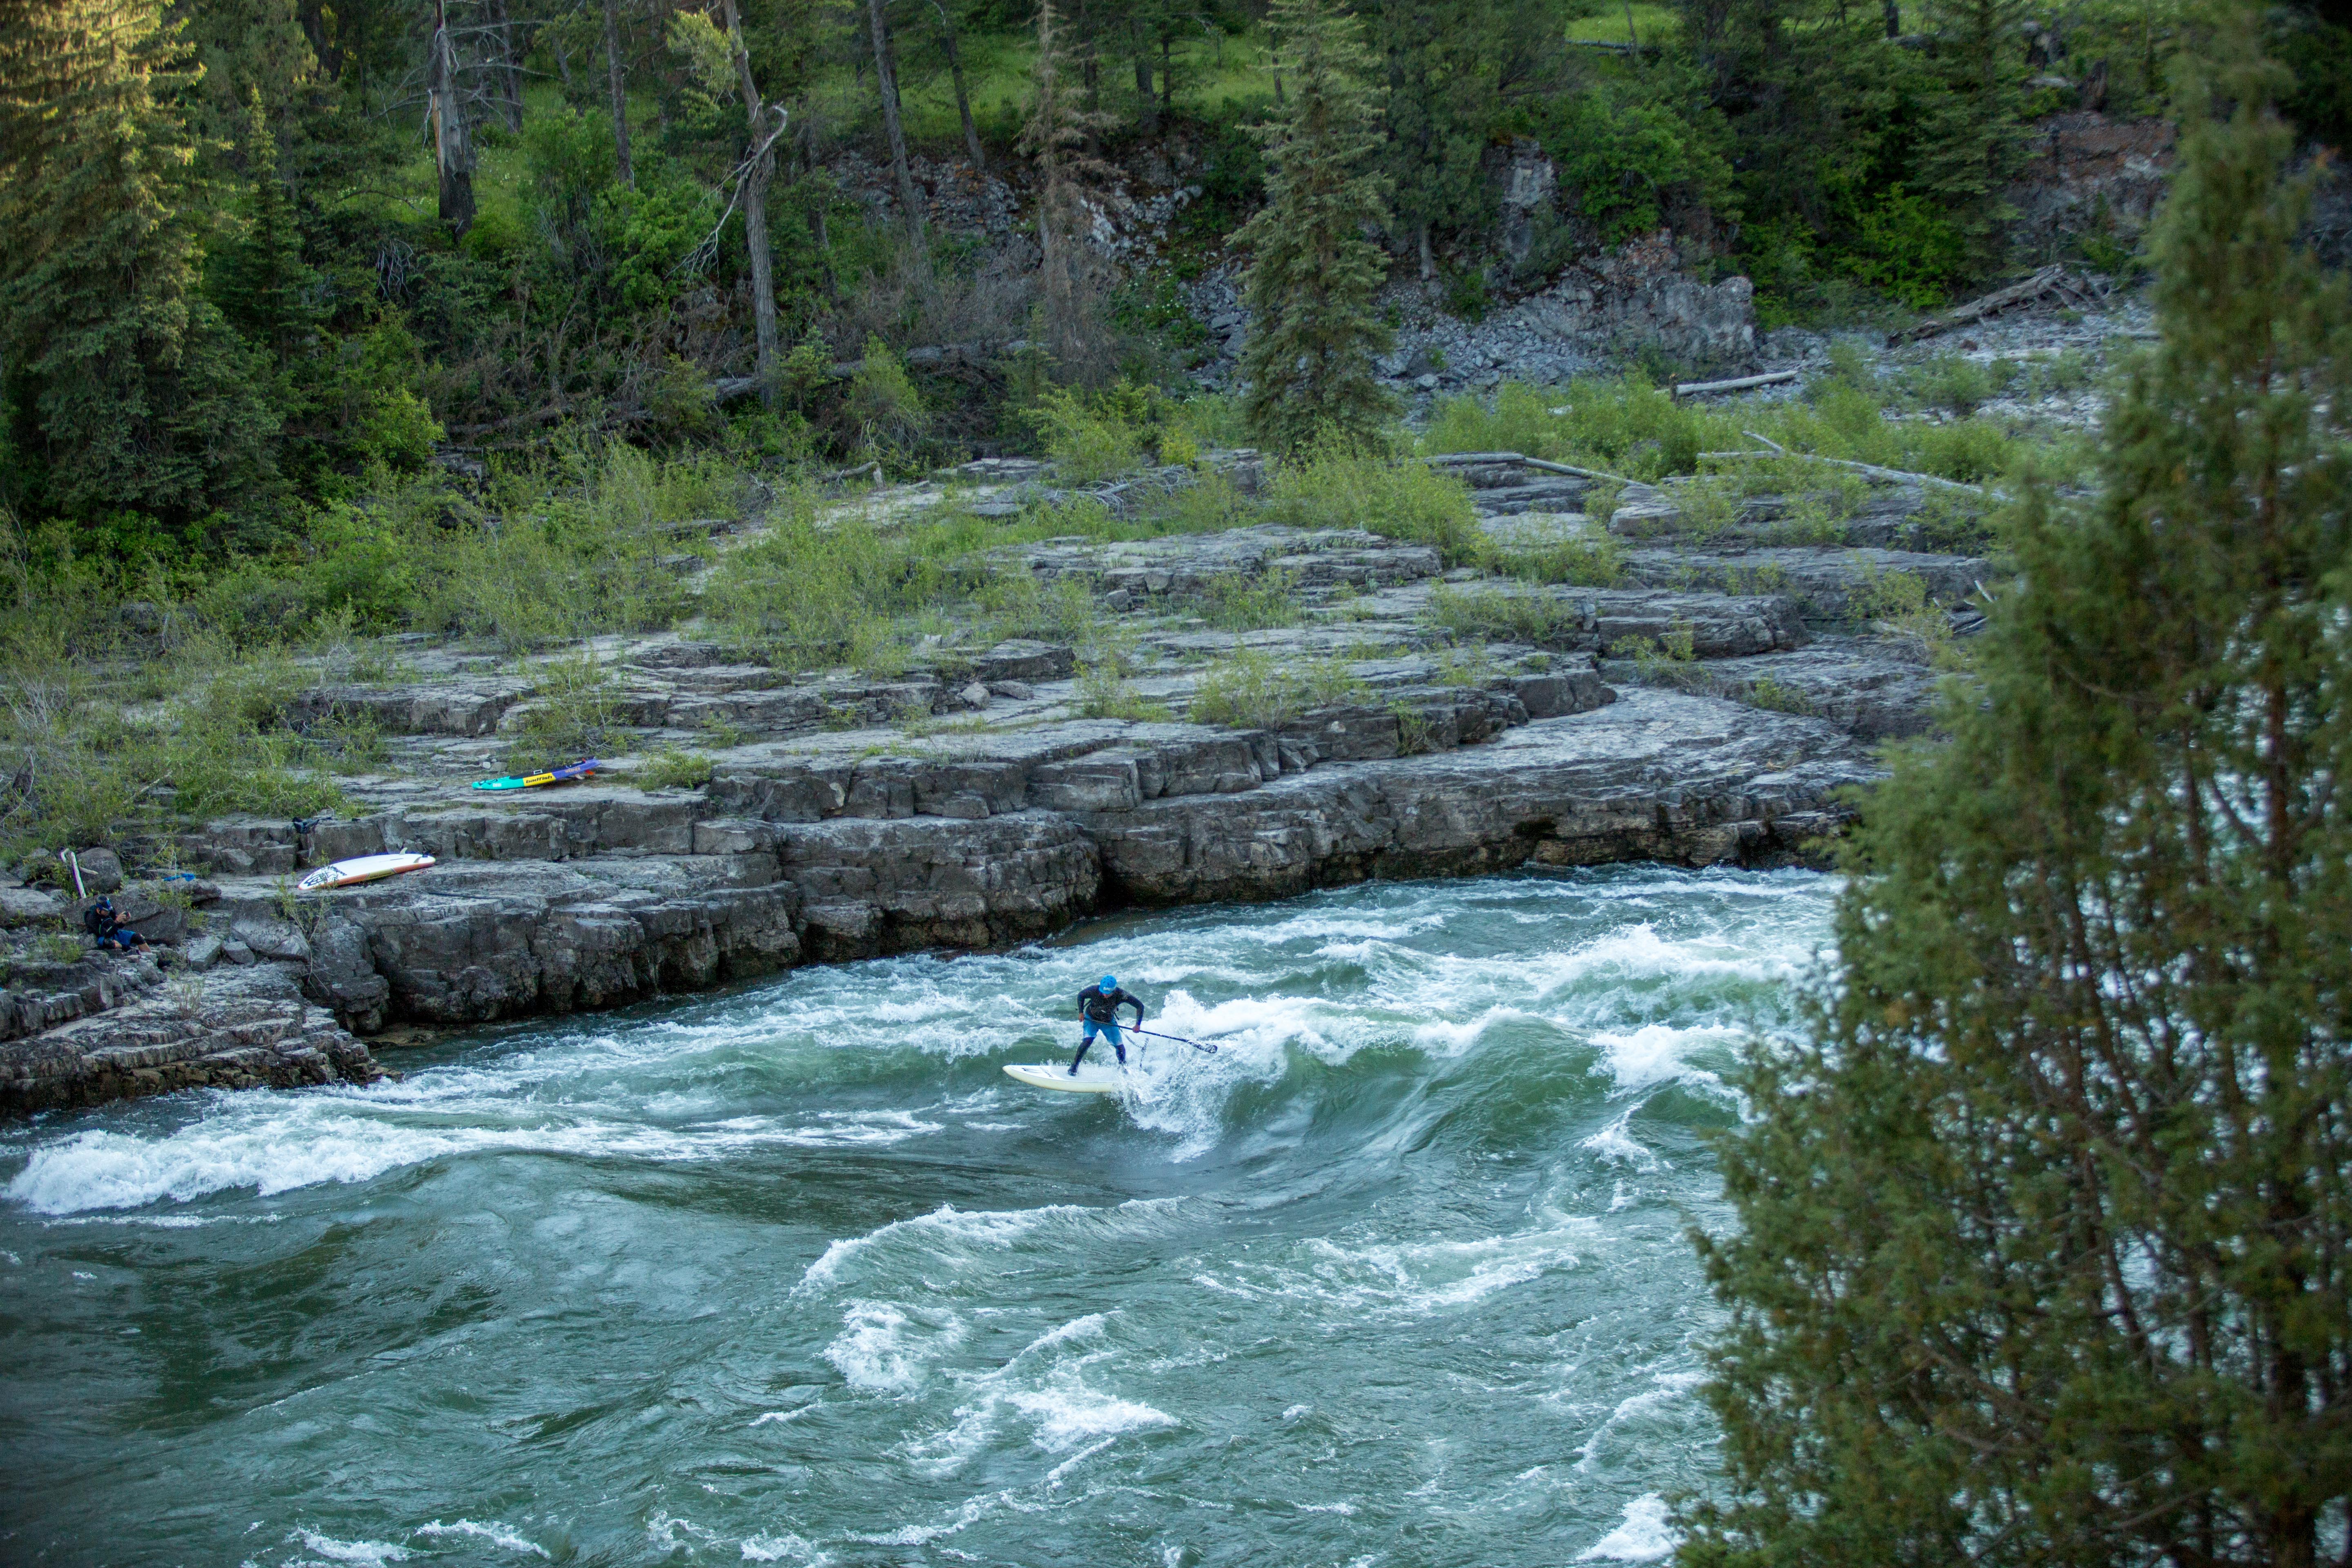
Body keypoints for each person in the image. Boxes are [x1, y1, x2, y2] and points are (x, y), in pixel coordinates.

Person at [1072, 973, 1144, 1075]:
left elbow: (1140, 1006)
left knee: (1120, 1047)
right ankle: (1074, 1067)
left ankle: (1123, 1068)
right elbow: (1081, 995)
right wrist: (1081, 1012)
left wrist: (1138, 1024)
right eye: (1103, 992)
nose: (1105, 995)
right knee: (1088, 1041)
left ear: (1114, 990)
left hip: (1109, 1022)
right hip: (1092, 1019)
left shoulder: (1121, 995)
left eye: (1108, 993)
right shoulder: (1094, 990)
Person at [81, 895, 149, 954]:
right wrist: (116, 922)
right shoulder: (92, 918)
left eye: (109, 910)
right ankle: (127, 948)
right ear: (99, 910)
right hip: (101, 937)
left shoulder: (110, 911)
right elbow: (106, 934)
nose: (108, 912)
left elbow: (118, 927)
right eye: (106, 911)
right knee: (109, 943)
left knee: (138, 937)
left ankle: (150, 956)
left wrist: (124, 921)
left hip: (113, 933)